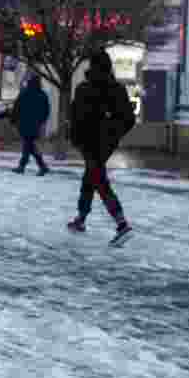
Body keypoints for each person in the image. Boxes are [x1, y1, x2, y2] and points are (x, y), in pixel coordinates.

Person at [67, 51, 136, 247]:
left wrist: (75, 137)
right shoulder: (116, 89)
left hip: (88, 143)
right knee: (91, 177)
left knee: (97, 178)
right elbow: (128, 119)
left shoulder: (84, 89)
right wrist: (112, 134)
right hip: (104, 144)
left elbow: (75, 117)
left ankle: (122, 224)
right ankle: (81, 219)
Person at [10, 74, 50, 175]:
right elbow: (46, 111)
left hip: (24, 123)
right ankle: (40, 166)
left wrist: (13, 120)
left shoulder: (25, 93)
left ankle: (23, 166)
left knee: (28, 144)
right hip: (35, 124)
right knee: (29, 145)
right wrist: (42, 121)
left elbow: (16, 107)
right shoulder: (42, 95)